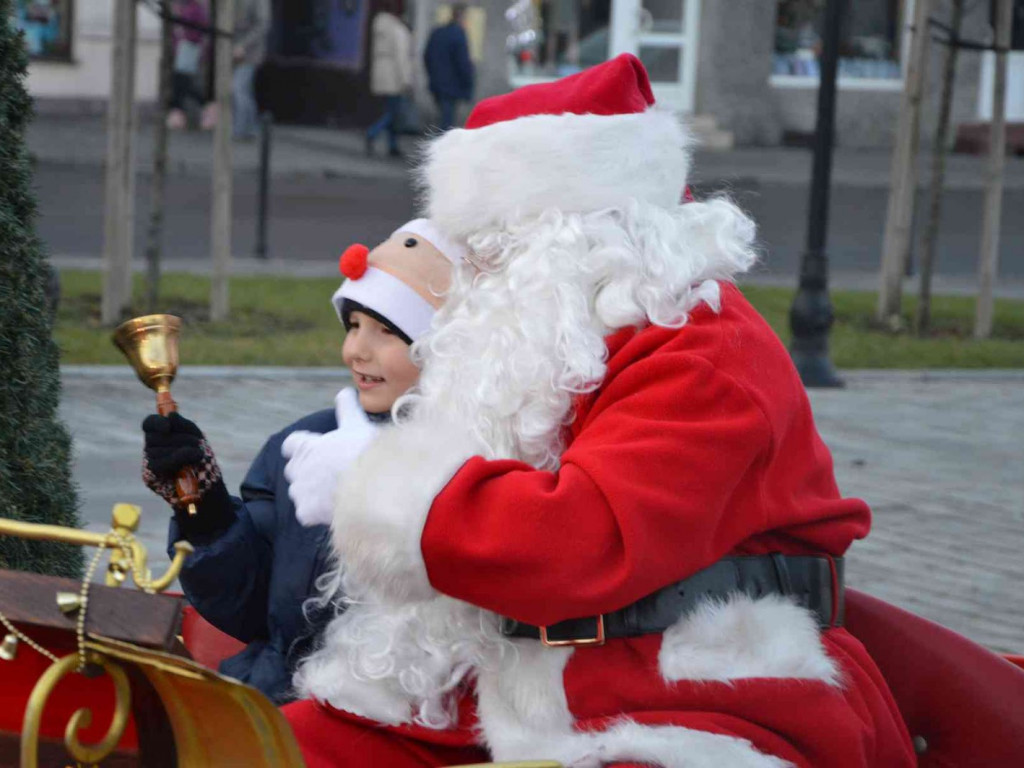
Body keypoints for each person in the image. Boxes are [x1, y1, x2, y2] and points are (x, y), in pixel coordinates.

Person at [283, 55, 916, 767]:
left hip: (700, 693)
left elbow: (582, 540)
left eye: (495, 250)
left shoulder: (704, 353)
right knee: (275, 744)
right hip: (528, 693)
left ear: (580, 237)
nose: (475, 279)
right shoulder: (557, 353)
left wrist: (389, 497)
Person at [141, 220, 463, 703]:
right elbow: (254, 608)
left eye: (386, 331)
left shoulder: (476, 464)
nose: (356, 350)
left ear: (445, 348)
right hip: (279, 697)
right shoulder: (304, 444)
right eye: (353, 325)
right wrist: (203, 511)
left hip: (404, 716)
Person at [365, 0, 413, 158]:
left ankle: (393, 145)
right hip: (394, 76)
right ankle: (372, 132)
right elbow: (401, 57)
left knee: (391, 111)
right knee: (394, 113)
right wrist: (406, 80)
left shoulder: (379, 24)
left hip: (381, 74)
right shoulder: (397, 29)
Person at [423, 3, 474, 131]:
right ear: (462, 17)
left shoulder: (437, 32)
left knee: (441, 118)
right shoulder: (458, 34)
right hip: (451, 85)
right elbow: (463, 63)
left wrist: (432, 75)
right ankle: (440, 148)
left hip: (436, 83)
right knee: (446, 123)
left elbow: (426, 56)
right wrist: (468, 83)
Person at [166, 0, 209, 130]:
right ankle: (182, 112)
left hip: (190, 46)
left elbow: (200, 28)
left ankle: (201, 104)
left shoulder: (195, 8)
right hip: (182, 47)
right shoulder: (183, 7)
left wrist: (187, 37)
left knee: (181, 79)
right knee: (182, 80)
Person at [231, 0, 270, 140]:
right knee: (245, 90)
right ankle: (250, 128)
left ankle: (240, 129)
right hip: (235, 50)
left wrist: (243, 45)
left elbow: (262, 25)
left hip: (250, 52)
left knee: (238, 88)